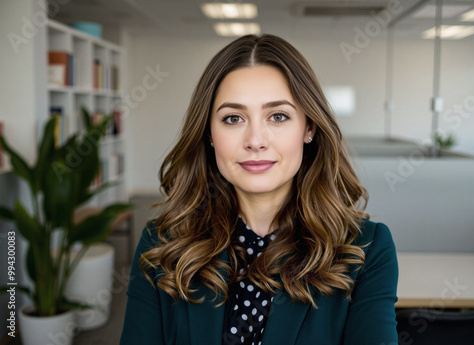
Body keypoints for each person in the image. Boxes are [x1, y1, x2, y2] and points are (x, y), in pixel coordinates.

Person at [120, 34, 398, 345]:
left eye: (278, 116)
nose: (255, 140)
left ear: (309, 128)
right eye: (233, 118)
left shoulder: (367, 250)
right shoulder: (160, 244)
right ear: (209, 133)